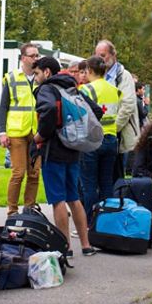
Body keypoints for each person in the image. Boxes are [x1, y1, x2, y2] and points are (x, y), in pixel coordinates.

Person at [32, 56, 98, 257]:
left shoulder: (47, 89)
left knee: (58, 199)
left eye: (36, 73)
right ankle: (86, 245)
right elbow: (95, 111)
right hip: (73, 148)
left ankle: (65, 246)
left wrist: (40, 136)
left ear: (47, 72)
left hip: (54, 149)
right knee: (74, 197)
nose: (34, 78)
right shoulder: (71, 86)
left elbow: (49, 109)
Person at [0, 42, 42, 216]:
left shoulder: (41, 78)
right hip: (16, 132)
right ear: (23, 58)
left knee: (34, 173)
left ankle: (29, 209)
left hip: (36, 132)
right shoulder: (11, 77)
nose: (36, 58)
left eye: (37, 55)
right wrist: (2, 132)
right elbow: (3, 107)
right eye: (33, 56)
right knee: (18, 173)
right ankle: (12, 211)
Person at [79, 56, 122, 219]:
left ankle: (89, 221)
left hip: (92, 140)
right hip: (111, 140)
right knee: (106, 184)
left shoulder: (86, 90)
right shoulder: (115, 90)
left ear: (89, 70)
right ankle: (106, 221)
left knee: (89, 185)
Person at [94, 40, 139, 178]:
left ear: (113, 55)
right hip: (99, 134)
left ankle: (113, 199)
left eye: (103, 55)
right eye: (97, 56)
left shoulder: (123, 76)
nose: (99, 59)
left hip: (116, 134)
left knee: (114, 175)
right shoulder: (97, 76)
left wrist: (112, 130)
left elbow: (127, 105)